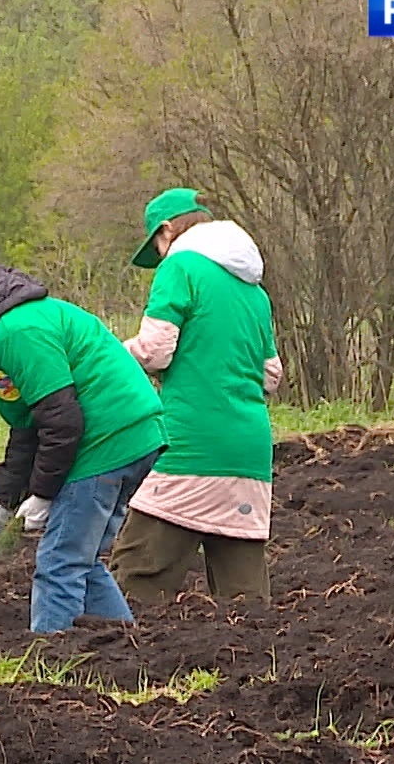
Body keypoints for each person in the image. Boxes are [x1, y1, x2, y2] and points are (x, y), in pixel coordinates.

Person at [0, 262, 165, 631]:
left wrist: (43, 494)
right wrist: (0, 504)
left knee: (59, 562)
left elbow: (62, 421)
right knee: (81, 558)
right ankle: (122, 644)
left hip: (106, 442)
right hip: (135, 438)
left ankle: (51, 654)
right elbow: (28, 430)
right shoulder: (5, 334)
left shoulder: (18, 331)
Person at [110, 188, 282, 604]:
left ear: (167, 230)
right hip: (249, 453)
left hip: (189, 445)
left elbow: (155, 350)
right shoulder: (254, 291)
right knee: (245, 601)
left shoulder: (180, 266)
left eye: (156, 244)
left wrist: (111, 356)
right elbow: (271, 375)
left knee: (137, 581)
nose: (159, 256)